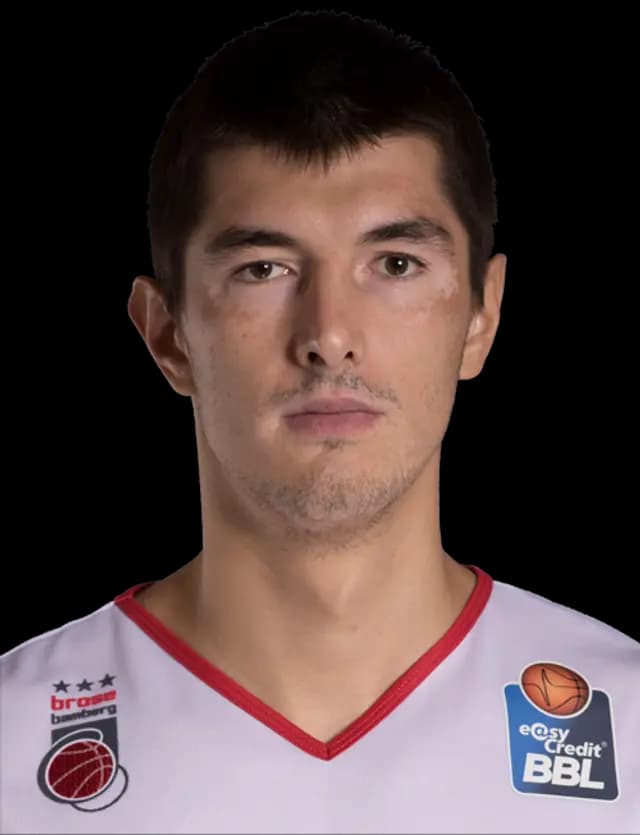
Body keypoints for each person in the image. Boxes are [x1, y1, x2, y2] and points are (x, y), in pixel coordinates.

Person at [1, 10, 638, 834]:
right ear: (167, 335)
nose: (330, 334)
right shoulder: (11, 743)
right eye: (263, 268)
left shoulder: (628, 722)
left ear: (482, 317)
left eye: (396, 263)